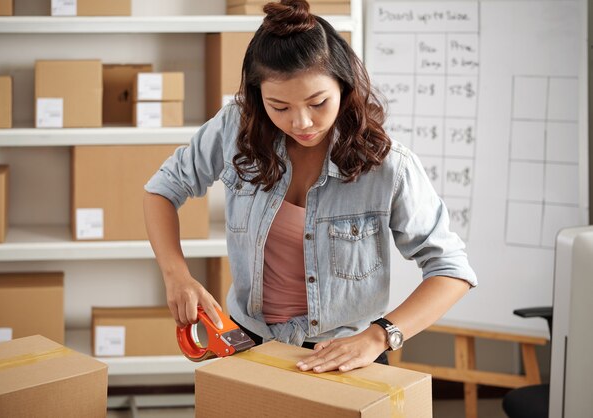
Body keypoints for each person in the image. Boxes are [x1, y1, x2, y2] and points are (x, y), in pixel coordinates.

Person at [144, 0, 477, 373]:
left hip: (344, 354)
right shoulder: (236, 128)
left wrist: (379, 336)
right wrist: (176, 277)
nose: (301, 122)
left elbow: (452, 269)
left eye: (318, 103)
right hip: (247, 341)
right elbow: (162, 189)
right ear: (258, 98)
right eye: (279, 106)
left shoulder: (389, 166)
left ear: (344, 86)